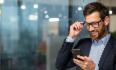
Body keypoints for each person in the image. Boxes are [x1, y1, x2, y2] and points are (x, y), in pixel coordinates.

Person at [55, 2, 116, 70]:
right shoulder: (83, 44)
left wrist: (94, 68)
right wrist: (71, 37)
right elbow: (60, 65)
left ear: (106, 21)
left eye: (95, 23)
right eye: (88, 24)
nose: (90, 29)